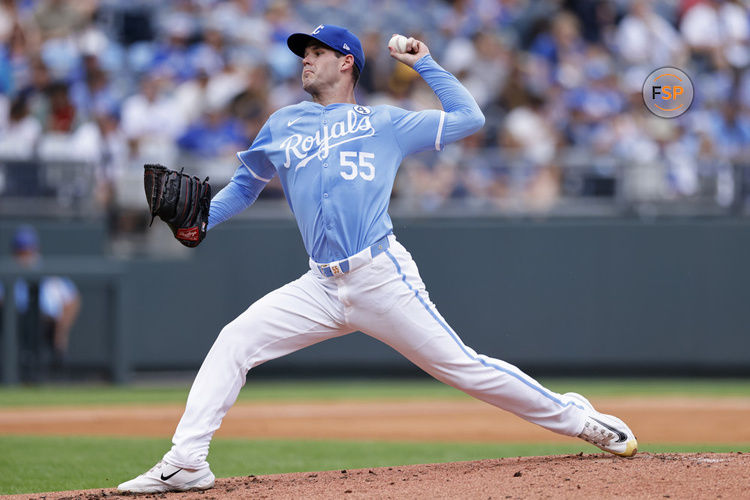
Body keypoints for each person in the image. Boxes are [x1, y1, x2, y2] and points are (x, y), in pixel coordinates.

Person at [118, 25, 637, 494]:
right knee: (235, 340)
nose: (306, 60)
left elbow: (469, 118)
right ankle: (187, 461)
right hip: (319, 286)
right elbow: (247, 187)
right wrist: (205, 218)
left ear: (347, 62)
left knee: (462, 368)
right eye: (303, 52)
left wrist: (424, 64)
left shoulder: (383, 121)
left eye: (317, 52)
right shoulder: (282, 123)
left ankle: (576, 418)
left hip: (379, 275)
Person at [0, 225, 81, 381]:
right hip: (15, 324)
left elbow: (73, 299)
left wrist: (62, 331)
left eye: (28, 250)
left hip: (46, 326)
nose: (25, 255)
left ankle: (52, 371)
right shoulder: (6, 275)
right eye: (21, 251)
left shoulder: (49, 275)